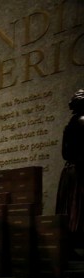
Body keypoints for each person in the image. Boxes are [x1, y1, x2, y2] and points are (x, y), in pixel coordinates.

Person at [55, 89, 84, 256]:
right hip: (80, 171)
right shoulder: (81, 121)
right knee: (78, 207)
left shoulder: (69, 124)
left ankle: (71, 244)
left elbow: (64, 153)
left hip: (69, 170)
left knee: (70, 207)